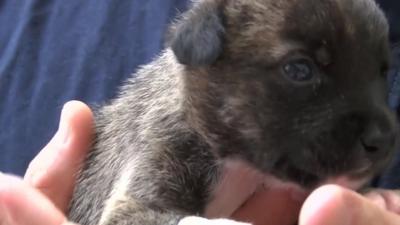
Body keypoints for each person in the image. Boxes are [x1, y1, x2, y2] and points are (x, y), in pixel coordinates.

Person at [0, 0, 399, 224]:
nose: (378, 130)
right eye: (300, 70)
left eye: (381, 74)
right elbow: (128, 218)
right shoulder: (170, 140)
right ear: (205, 60)